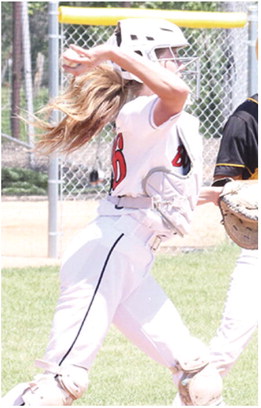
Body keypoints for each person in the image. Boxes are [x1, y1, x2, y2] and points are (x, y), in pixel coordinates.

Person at [2, 18, 223, 406]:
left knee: (198, 375)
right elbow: (179, 92)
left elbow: (158, 190)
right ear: (142, 57)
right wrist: (112, 53)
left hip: (129, 255)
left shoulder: (153, 112)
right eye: (168, 54)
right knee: (62, 382)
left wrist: (217, 196)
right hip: (110, 250)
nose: (178, 61)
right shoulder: (144, 109)